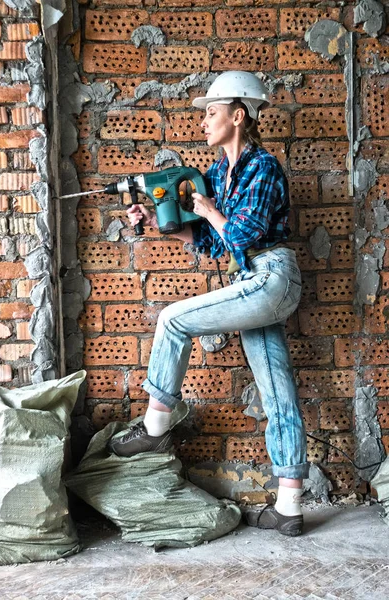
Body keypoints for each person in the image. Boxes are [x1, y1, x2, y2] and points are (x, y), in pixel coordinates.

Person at [108, 71, 309, 537]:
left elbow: (239, 234)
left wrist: (207, 210)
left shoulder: (264, 167)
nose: (204, 121)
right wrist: (164, 223)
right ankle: (290, 507)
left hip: (273, 276)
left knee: (173, 319)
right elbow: (213, 244)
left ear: (238, 116)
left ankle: (155, 428)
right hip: (251, 279)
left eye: (212, 113)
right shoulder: (219, 172)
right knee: (277, 392)